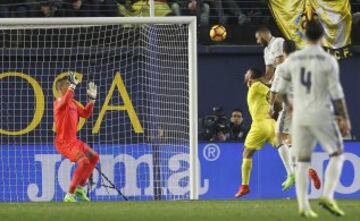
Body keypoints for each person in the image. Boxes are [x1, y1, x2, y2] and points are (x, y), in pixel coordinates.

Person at [276, 20, 351, 218]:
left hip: (299, 115)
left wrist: (289, 104)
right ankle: (327, 195)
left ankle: (303, 205)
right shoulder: (328, 60)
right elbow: (336, 93)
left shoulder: (293, 60)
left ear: (304, 34)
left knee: (301, 161)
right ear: (321, 35)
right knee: (337, 154)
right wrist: (344, 118)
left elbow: (281, 91)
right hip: (321, 113)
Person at [269, 40, 321, 191]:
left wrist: (271, 107)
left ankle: (295, 172)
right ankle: (302, 170)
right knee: (292, 140)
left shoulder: (282, 67)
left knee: (280, 138)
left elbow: (273, 90)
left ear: (283, 51)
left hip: (290, 107)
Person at [54, 72, 100, 202]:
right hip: (64, 143)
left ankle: (80, 188)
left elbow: (85, 114)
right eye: (68, 85)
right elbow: (64, 101)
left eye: (70, 85)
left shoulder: (73, 103)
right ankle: (70, 194)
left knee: (94, 156)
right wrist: (72, 86)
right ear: (61, 88)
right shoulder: (58, 103)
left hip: (74, 141)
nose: (70, 88)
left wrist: (91, 100)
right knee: (83, 161)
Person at [234, 68, 277, 198]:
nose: (245, 74)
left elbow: (271, 93)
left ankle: (245, 186)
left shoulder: (256, 85)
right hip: (271, 123)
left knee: (247, 153)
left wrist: (273, 103)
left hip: (259, 124)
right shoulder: (256, 88)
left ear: (251, 77)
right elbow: (271, 93)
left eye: (247, 73)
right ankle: (307, 170)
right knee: (285, 148)